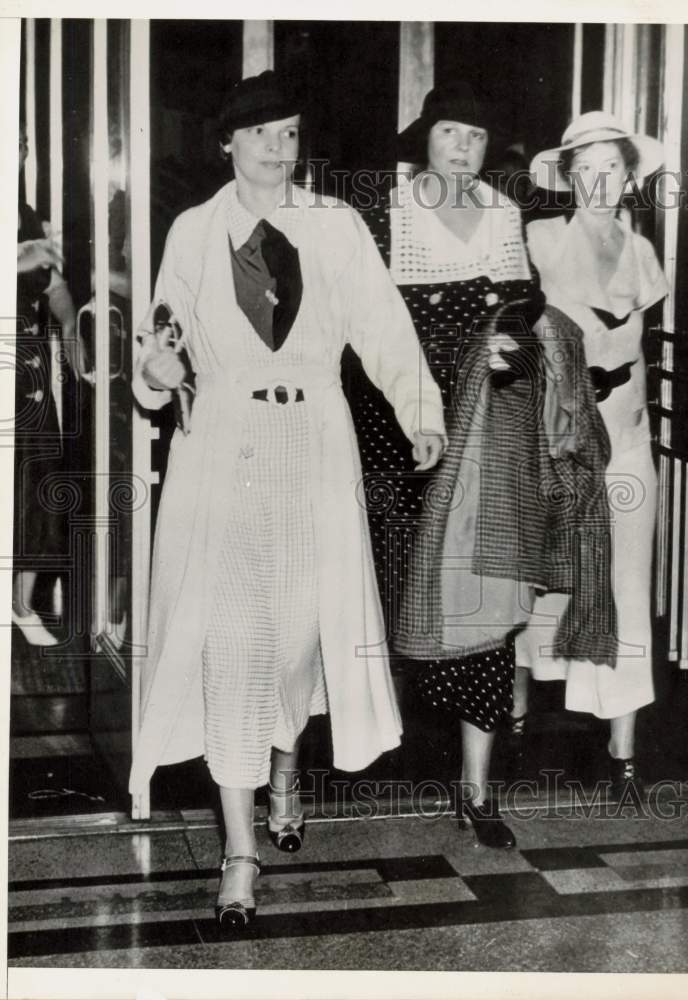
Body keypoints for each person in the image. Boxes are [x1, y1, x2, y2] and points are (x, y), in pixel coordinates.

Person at [127, 71, 446, 930]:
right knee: (233, 641)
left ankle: (285, 762)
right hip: (224, 449)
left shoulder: (334, 226)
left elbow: (382, 322)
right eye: (262, 132)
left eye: (290, 133)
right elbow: (161, 337)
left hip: (315, 445)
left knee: (301, 636)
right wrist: (155, 373)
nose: (278, 146)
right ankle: (239, 852)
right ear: (227, 143)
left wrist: (420, 410)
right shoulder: (195, 231)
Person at [355, 82, 546, 848]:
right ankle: (364, 753)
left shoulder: (503, 212)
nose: (463, 149)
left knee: (481, 581)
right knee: (392, 579)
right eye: (450, 134)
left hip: (482, 417)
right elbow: (357, 316)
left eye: (475, 136)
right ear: (425, 140)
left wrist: (511, 345)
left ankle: (476, 787)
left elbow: (524, 306)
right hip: (392, 417)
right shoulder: (386, 210)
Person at [512, 111, 668, 796]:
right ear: (569, 175)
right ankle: (513, 714)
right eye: (589, 167)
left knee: (626, 585)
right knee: (542, 577)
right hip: (556, 439)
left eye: (614, 167)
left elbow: (638, 354)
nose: (602, 182)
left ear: (630, 176)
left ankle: (623, 749)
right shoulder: (539, 240)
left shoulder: (643, 253)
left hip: (628, 442)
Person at [13, 123, 89, 646]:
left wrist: (67, 323)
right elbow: (29, 265)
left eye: (20, 143)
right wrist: (20, 259)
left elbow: (55, 285)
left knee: (40, 479)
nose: (15, 152)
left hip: (30, 367)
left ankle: (21, 604)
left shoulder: (23, 212)